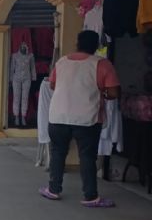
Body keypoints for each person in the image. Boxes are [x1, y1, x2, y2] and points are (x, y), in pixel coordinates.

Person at [39, 30, 120, 208]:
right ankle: (90, 197)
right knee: (87, 157)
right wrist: (101, 92)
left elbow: (52, 84)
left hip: (59, 115)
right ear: (96, 46)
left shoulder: (62, 62)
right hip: (87, 118)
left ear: (77, 44)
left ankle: (53, 189)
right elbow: (113, 92)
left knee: (58, 153)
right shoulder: (102, 64)